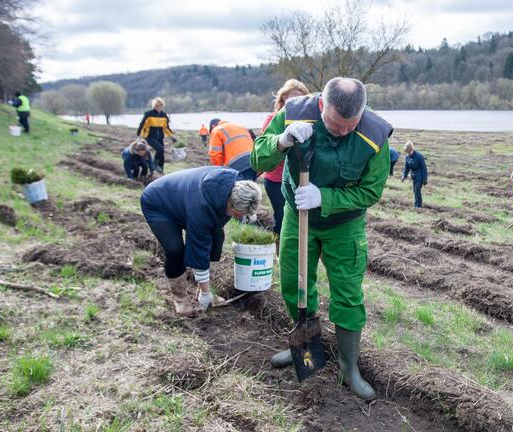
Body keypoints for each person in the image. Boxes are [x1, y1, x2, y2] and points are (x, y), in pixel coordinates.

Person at [251, 77, 392, 400]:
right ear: (320, 106)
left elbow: (371, 191)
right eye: (334, 124)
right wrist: (282, 142)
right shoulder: (293, 113)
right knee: (294, 281)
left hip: (344, 224)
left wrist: (324, 197)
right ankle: (305, 343)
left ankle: (348, 366)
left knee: (347, 293)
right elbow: (258, 160)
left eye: (349, 126)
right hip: (296, 215)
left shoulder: (374, 134)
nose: (342, 132)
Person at [141, 166, 263, 316]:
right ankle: (180, 298)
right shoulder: (202, 208)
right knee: (175, 250)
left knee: (217, 238)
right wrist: (207, 295)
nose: (237, 217)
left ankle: (202, 289)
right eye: (236, 214)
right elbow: (199, 249)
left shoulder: (239, 185)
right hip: (160, 204)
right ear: (229, 202)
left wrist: (247, 214)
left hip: (185, 200)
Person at [258, 79, 310, 250]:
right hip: (276, 180)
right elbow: (266, 148)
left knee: (301, 217)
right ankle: (279, 250)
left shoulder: (309, 123)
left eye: (300, 100)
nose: (295, 105)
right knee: (282, 216)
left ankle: (301, 251)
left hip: (300, 179)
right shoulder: (273, 120)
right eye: (291, 101)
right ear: (282, 101)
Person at [137, 97, 176, 174]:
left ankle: (161, 169)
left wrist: (172, 137)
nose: (159, 107)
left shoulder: (164, 115)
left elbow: (166, 128)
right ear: (154, 106)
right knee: (160, 149)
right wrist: (139, 136)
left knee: (162, 153)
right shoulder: (148, 114)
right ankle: (154, 165)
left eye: (160, 106)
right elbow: (142, 125)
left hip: (160, 137)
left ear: (162, 106)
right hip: (149, 137)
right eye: (157, 106)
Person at [401, 141, 427, 208]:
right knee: (415, 191)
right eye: (407, 153)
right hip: (414, 176)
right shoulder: (407, 157)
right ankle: (416, 205)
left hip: (420, 176)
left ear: (411, 150)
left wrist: (425, 179)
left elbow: (424, 168)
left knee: (417, 190)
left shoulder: (419, 156)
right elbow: (407, 167)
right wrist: (404, 175)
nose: (408, 154)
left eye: (409, 152)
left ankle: (418, 206)